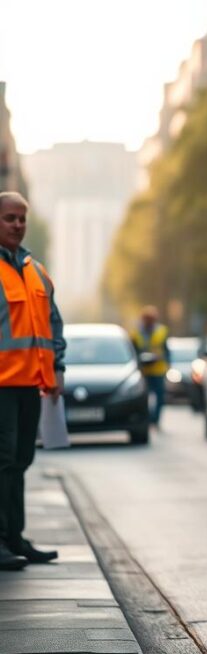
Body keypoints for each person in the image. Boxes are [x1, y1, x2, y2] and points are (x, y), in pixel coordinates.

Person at [0, 192, 64, 570]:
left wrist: (58, 369)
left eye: (22, 219)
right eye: (10, 218)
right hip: (1, 387)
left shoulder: (36, 271)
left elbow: (54, 323)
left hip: (31, 385)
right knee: (4, 462)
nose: (18, 225)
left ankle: (14, 537)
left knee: (21, 460)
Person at [130, 305, 169, 428]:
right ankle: (146, 417)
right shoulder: (136, 333)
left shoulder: (161, 331)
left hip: (158, 369)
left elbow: (166, 351)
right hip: (143, 371)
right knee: (143, 398)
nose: (149, 321)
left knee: (160, 397)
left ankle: (155, 419)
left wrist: (168, 365)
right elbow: (133, 351)